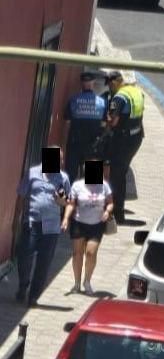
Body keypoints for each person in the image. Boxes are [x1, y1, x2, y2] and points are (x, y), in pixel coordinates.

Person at [14, 146, 71, 307]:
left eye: (61, 159)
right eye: (58, 159)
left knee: (44, 263)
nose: (61, 162)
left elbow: (68, 201)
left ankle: (33, 296)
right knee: (25, 257)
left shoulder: (63, 178)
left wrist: (62, 203)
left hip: (51, 227)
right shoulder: (32, 173)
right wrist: (16, 221)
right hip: (32, 222)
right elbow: (21, 196)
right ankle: (23, 285)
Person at [62, 159, 113, 295]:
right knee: (77, 253)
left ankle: (87, 281)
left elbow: (110, 202)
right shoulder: (78, 186)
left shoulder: (104, 186)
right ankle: (77, 283)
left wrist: (107, 211)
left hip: (96, 224)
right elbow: (71, 203)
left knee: (91, 252)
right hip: (79, 222)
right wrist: (66, 218)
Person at [105, 71, 145, 223]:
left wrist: (106, 119)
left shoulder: (119, 97)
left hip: (122, 139)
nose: (109, 87)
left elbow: (113, 121)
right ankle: (115, 211)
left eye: (109, 84)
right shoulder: (136, 92)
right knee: (120, 173)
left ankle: (116, 213)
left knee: (116, 176)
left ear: (115, 82)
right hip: (135, 138)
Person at [64, 70, 107, 181]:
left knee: (70, 176)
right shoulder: (102, 103)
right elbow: (104, 124)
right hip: (93, 144)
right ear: (93, 83)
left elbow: (67, 123)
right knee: (93, 179)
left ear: (81, 83)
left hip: (75, 142)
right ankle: (92, 197)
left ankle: (68, 197)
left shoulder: (73, 100)